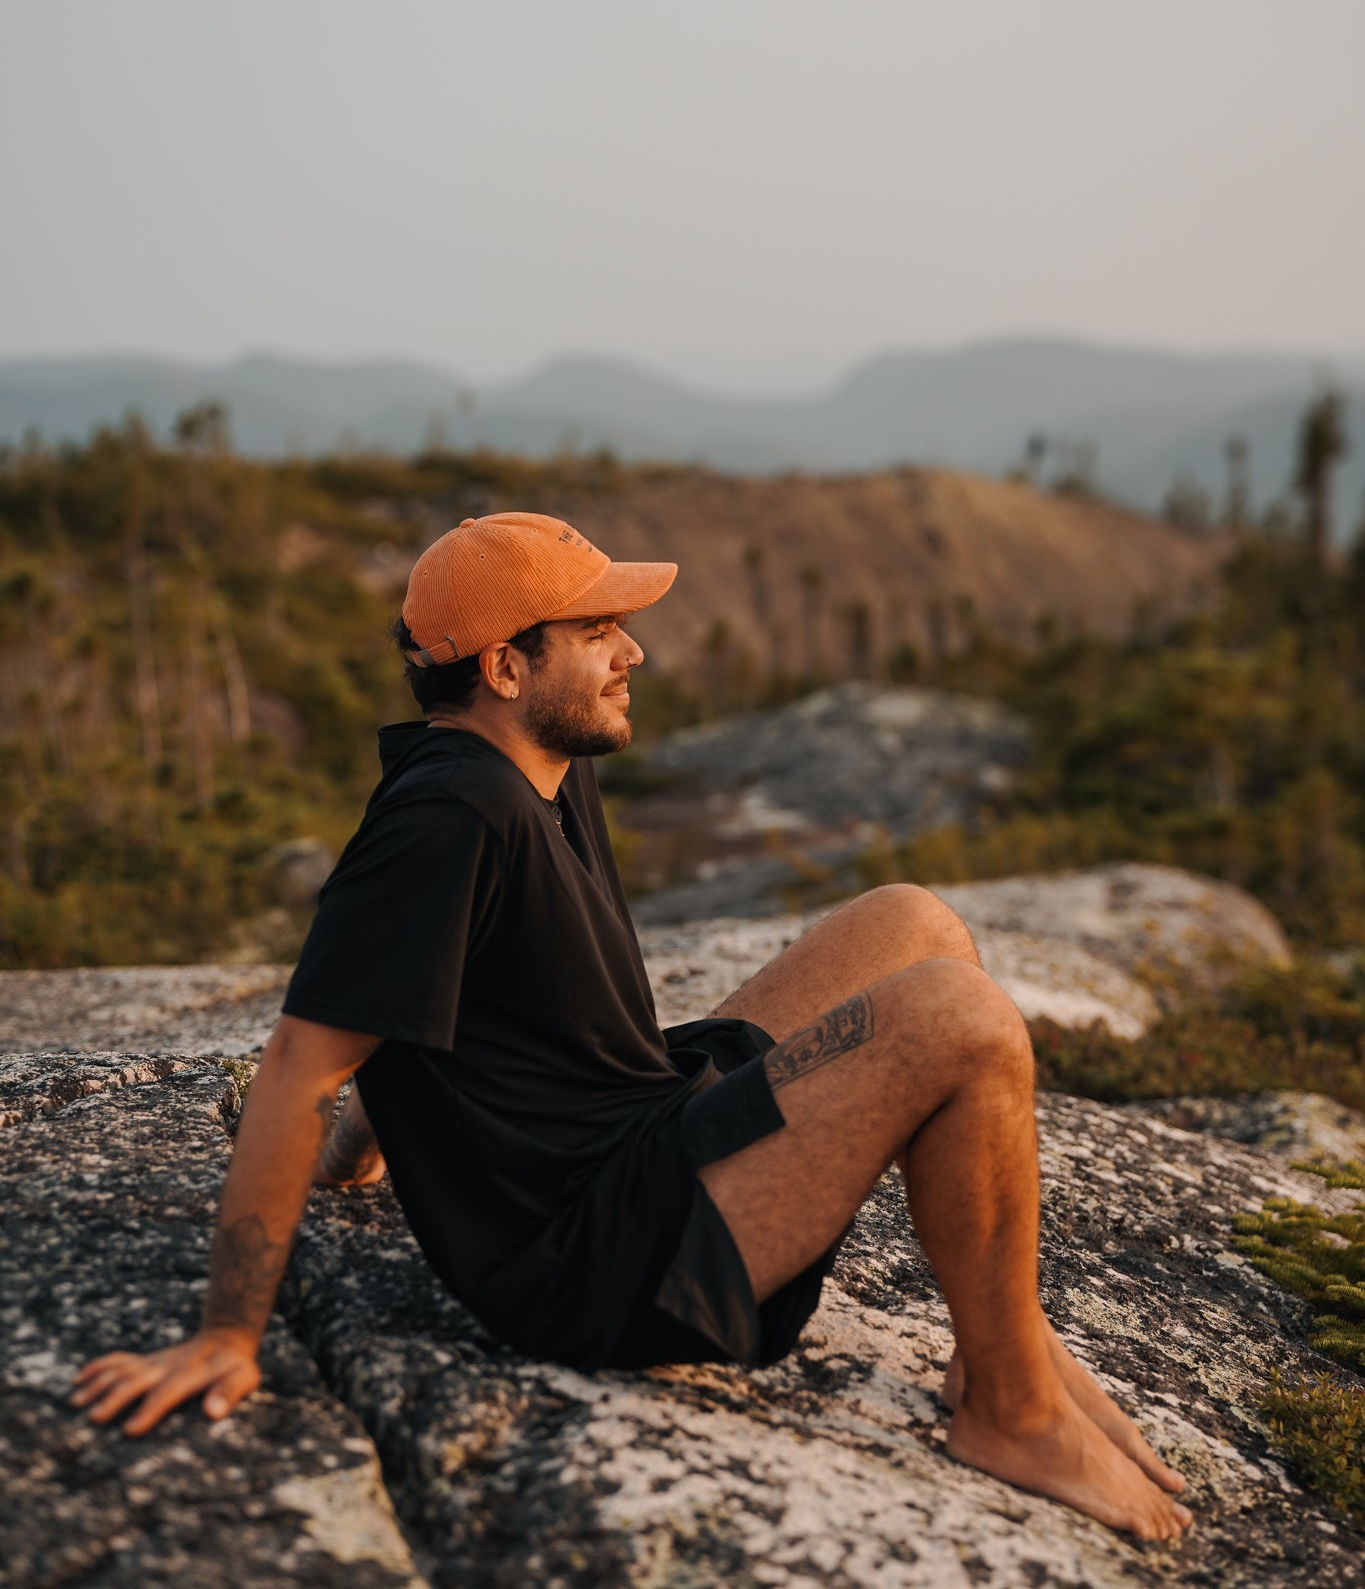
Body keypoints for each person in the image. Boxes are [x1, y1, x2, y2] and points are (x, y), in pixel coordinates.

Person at [72, 512, 1191, 1542]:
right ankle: (1008, 1402)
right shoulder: (448, 815)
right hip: (605, 1253)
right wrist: (229, 1333)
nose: (633, 652)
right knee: (960, 1019)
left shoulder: (538, 766)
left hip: (645, 1127)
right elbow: (295, 1067)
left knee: (914, 923)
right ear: (506, 665)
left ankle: (1001, 1327)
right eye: (599, 629)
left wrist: (367, 1145)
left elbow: (429, 997)